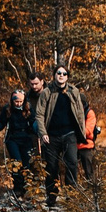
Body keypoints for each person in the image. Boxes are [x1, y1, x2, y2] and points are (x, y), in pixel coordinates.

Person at [34, 65, 91, 201]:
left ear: (67, 76)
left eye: (64, 73)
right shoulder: (47, 92)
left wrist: (80, 133)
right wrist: (43, 133)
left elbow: (79, 113)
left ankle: (71, 196)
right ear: (54, 75)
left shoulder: (73, 91)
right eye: (58, 73)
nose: (61, 75)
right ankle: (52, 196)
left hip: (69, 134)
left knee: (71, 164)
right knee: (51, 166)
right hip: (51, 135)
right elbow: (39, 114)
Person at [0, 86, 39, 196]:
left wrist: (37, 130)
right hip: (12, 138)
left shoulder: (28, 109)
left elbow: (33, 122)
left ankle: (26, 187)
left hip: (26, 138)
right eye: (16, 101)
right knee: (16, 163)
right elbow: (2, 122)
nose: (18, 104)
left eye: (20, 101)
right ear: (12, 100)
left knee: (26, 164)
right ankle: (17, 188)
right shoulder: (7, 109)